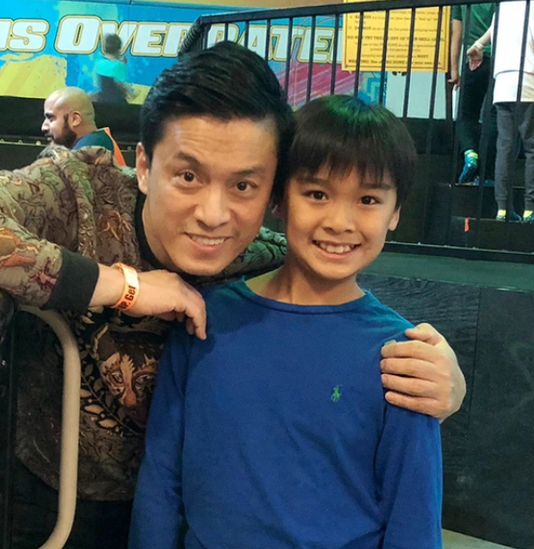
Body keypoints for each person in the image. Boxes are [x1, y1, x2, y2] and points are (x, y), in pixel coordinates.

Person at [0, 42, 464, 549]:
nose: (214, 214)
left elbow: (335, 306)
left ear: (272, 193)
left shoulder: (264, 259)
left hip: (176, 513)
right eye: (189, 177)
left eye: (243, 184)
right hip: (39, 502)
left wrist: (445, 385)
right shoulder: (78, 193)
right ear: (145, 166)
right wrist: (123, 286)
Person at [130, 95, 442, 549]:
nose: (340, 222)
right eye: (317, 194)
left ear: (395, 213)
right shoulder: (203, 319)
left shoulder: (401, 357)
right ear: (278, 198)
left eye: (368, 199)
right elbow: (161, 478)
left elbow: (414, 518)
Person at [468, 1, 534, 222]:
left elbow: (491, 31)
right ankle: (530, 209)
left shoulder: (504, 7)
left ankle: (503, 209)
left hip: (502, 84)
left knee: (505, 147)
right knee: (531, 148)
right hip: (527, 81)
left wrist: (477, 45)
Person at [449, 3, 496, 185]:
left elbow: (457, 34)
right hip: (497, 59)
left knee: (466, 115)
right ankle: (486, 175)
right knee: (492, 119)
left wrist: (454, 70)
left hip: (473, 60)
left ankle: (470, 152)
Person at [42, 86, 127, 165]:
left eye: (51, 119)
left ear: (75, 119)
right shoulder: (97, 140)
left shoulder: (93, 147)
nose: (44, 127)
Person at [93, 33, 131, 105]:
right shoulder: (119, 65)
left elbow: (96, 83)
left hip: (102, 101)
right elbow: (122, 86)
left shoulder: (99, 63)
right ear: (118, 49)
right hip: (117, 102)